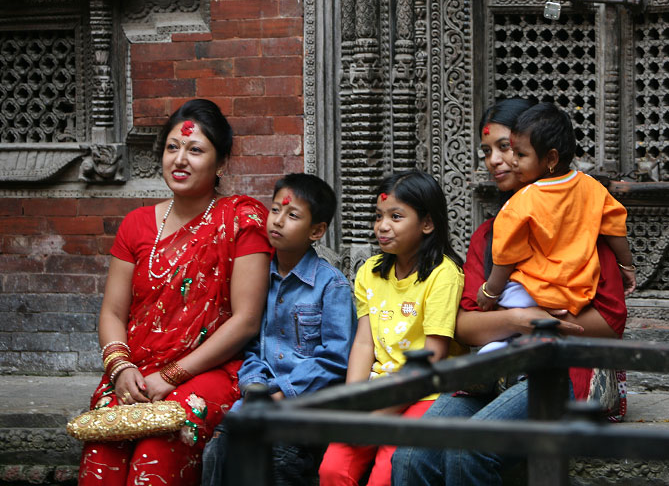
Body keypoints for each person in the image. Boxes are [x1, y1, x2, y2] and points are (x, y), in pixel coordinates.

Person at [392, 99, 635, 486]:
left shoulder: (583, 222)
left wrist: (539, 331)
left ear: (547, 157)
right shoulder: (488, 235)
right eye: (487, 151)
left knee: (468, 451)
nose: (496, 160)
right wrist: (520, 321)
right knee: (409, 458)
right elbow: (466, 325)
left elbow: (610, 320)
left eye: (508, 149)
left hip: (561, 371)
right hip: (493, 371)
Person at [78, 99, 271, 486]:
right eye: (172, 147)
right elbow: (113, 313)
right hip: (135, 372)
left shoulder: (242, 220)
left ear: (221, 164)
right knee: (101, 457)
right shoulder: (135, 224)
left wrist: (173, 374)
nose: (180, 159)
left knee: (157, 454)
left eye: (195, 149)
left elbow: (246, 320)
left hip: (208, 369)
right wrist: (121, 368)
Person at [201, 173, 356, 486]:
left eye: (292, 215)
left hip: (306, 404)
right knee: (217, 450)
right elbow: (251, 346)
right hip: (258, 400)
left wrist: (283, 392)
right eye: (275, 210)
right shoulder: (257, 280)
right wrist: (257, 387)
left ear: (317, 230)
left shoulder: (331, 286)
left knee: (278, 458)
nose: (278, 221)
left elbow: (336, 358)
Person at [318, 170, 464, 486]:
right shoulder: (370, 272)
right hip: (376, 388)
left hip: (425, 393)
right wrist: (353, 401)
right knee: (332, 470)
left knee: (387, 475)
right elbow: (363, 344)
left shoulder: (443, 275)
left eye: (396, 217)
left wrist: (378, 417)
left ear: (427, 224)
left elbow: (433, 357)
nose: (382, 226)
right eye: (379, 216)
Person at [475, 102, 635, 353]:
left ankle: (504, 354)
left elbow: (506, 254)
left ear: (549, 157)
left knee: (508, 302)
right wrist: (627, 265)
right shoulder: (591, 188)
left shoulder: (521, 204)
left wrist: (491, 292)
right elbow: (615, 226)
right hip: (576, 294)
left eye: (513, 151)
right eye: (485, 151)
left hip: (535, 302)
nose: (502, 161)